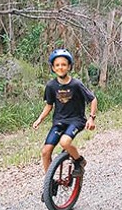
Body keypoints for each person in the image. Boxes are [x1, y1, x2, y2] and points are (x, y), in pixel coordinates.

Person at [32, 49, 98, 178]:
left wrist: (91, 118)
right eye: (57, 65)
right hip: (59, 122)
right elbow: (49, 105)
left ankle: (79, 161)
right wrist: (39, 119)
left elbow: (93, 99)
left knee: (65, 142)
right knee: (45, 152)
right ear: (53, 68)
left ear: (69, 66)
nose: (60, 67)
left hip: (76, 120)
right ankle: (49, 184)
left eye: (63, 64)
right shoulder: (51, 86)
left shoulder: (76, 84)